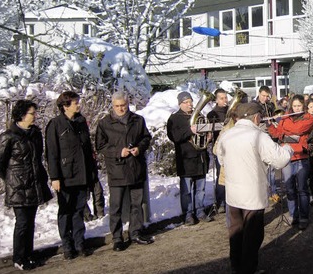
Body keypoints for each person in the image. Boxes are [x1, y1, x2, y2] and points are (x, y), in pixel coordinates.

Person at [216, 102, 293, 274]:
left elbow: (220, 158)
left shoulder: (227, 135)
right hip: (252, 194)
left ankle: (236, 266)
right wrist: (287, 149)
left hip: (233, 193)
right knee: (252, 235)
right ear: (256, 117)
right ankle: (248, 270)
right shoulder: (258, 136)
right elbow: (279, 160)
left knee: (235, 232)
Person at [0, 100, 53, 271]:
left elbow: (38, 157)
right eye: (31, 113)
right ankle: (19, 257)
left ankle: (29, 254)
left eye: (35, 113)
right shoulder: (8, 136)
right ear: (21, 115)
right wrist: (13, 179)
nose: (35, 116)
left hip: (34, 184)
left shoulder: (35, 134)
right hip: (18, 187)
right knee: (22, 223)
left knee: (31, 221)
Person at [96, 92, 153, 251]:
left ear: (128, 104)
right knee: (116, 207)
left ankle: (135, 232)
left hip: (135, 167)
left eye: (123, 106)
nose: (121, 109)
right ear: (112, 106)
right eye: (117, 106)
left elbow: (146, 138)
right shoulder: (105, 123)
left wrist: (139, 148)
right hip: (117, 170)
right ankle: (117, 237)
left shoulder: (138, 120)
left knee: (137, 204)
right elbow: (100, 146)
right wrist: (117, 152)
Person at [45, 91, 97, 259]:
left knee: (79, 210)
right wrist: (54, 177)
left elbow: (87, 149)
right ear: (65, 106)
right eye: (75, 103)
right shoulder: (55, 125)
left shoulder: (81, 122)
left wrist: (91, 171)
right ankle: (67, 246)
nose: (78, 105)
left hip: (81, 173)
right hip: (65, 176)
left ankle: (79, 243)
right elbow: (52, 153)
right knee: (66, 211)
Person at [268, 95, 313, 230]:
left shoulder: (309, 118)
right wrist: (270, 124)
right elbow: (277, 134)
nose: (296, 108)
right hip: (287, 157)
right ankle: (293, 215)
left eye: (299, 106)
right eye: (294, 106)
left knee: (302, 189)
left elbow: (299, 129)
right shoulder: (285, 117)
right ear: (291, 106)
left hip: (301, 157)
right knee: (289, 189)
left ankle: (304, 217)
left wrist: (284, 128)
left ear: (303, 106)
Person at [166, 91, 211, 225]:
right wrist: (189, 131)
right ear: (180, 104)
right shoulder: (174, 119)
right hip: (185, 159)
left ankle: (200, 211)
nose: (190, 104)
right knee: (186, 191)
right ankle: (188, 214)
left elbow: (204, 133)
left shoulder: (199, 116)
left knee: (200, 189)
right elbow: (175, 137)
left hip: (200, 157)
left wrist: (208, 136)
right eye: (186, 102)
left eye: (191, 101)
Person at [207, 88, 229, 213]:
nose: (224, 100)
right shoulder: (212, 114)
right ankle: (220, 202)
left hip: (232, 148)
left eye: (225, 97)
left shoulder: (231, 112)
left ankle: (230, 202)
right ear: (216, 100)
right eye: (221, 98)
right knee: (221, 175)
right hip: (220, 148)